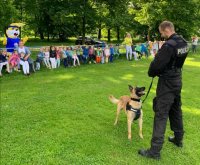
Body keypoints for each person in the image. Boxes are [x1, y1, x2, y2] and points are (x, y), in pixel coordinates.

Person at [138, 21, 189, 160]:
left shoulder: (168, 46)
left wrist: (152, 71)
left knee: (161, 114)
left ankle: (154, 152)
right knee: (176, 110)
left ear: (166, 30)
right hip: (177, 79)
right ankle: (178, 139)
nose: (161, 35)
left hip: (167, 82)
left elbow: (156, 66)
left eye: (161, 33)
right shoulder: (183, 42)